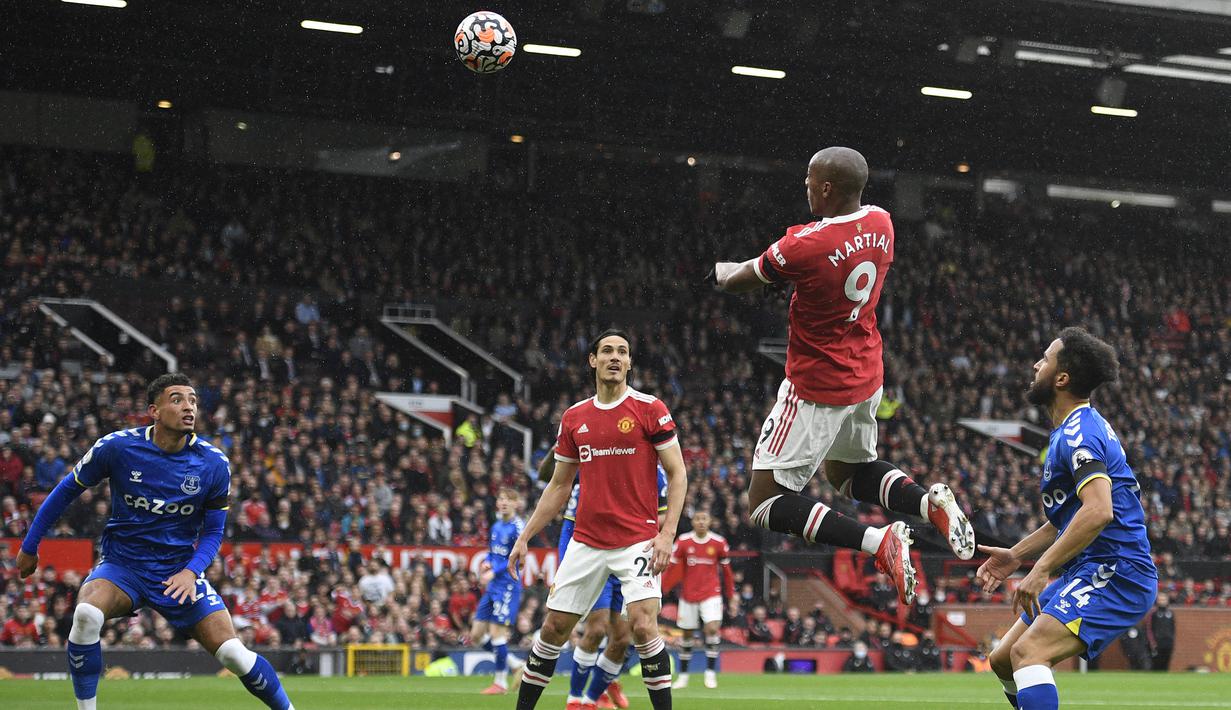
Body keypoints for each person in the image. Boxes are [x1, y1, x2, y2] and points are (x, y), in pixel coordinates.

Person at [710, 146, 974, 606]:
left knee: (765, 502)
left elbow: (742, 279)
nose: (805, 186)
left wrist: (718, 271)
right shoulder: (882, 223)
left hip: (815, 384)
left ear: (827, 187)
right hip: (865, 372)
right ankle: (928, 506)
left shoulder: (804, 245)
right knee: (848, 472)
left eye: (810, 179)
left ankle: (878, 542)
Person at [16, 373, 294, 710]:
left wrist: (192, 571)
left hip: (177, 572)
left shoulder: (213, 463)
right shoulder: (117, 447)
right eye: (177, 399)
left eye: (192, 399)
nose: (188, 406)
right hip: (123, 566)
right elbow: (65, 491)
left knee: (233, 654)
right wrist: (30, 546)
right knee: (87, 613)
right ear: (154, 410)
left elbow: (213, 531)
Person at [976, 328, 1157, 710]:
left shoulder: (1081, 433)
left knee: (1029, 653)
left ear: (1062, 378)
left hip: (1117, 571)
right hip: (1090, 567)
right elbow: (1069, 518)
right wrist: (1016, 555)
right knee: (1003, 660)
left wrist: (1040, 570)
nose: (1036, 364)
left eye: (1045, 359)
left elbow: (1098, 510)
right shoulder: (1070, 431)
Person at [508, 329, 686, 710]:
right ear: (593, 361)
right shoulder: (575, 417)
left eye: (623, 351)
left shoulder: (650, 408)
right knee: (553, 629)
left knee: (642, 625)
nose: (615, 357)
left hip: (638, 540)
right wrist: (525, 536)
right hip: (586, 541)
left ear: (630, 363)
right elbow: (558, 486)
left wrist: (667, 534)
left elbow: (678, 472)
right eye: (607, 351)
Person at [550, 444, 668, 710]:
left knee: (623, 639)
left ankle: (595, 697)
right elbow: (569, 524)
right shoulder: (595, 473)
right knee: (596, 629)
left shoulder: (657, 474)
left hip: (631, 560)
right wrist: (564, 566)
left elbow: (662, 520)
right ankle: (574, 700)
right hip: (597, 558)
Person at [468, 486, 524, 695]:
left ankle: (500, 683)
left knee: (496, 634)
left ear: (516, 503)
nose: (503, 503)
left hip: (507, 585)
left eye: (508, 499)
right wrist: (487, 563)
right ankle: (516, 663)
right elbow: (493, 554)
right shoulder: (496, 525)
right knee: (476, 635)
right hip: (493, 586)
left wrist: (496, 571)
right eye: (500, 499)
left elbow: (516, 557)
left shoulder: (518, 527)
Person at [670, 509, 734, 689]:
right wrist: (662, 589)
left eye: (704, 518)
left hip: (711, 593)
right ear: (693, 522)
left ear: (710, 521)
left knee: (712, 629)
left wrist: (731, 594)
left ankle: (710, 673)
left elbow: (727, 572)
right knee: (687, 634)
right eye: (697, 519)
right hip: (688, 594)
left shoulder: (719, 542)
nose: (701, 522)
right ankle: (683, 676)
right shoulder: (683, 542)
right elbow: (673, 569)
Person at [1147, 592, 1174, 671]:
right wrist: (1152, 643)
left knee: (1166, 664)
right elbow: (1149, 629)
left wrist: (1172, 640)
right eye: (1160, 599)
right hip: (1157, 643)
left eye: (1164, 599)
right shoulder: (1153, 614)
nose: (1162, 601)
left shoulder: (1170, 614)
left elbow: (1173, 629)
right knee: (1156, 664)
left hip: (1168, 642)